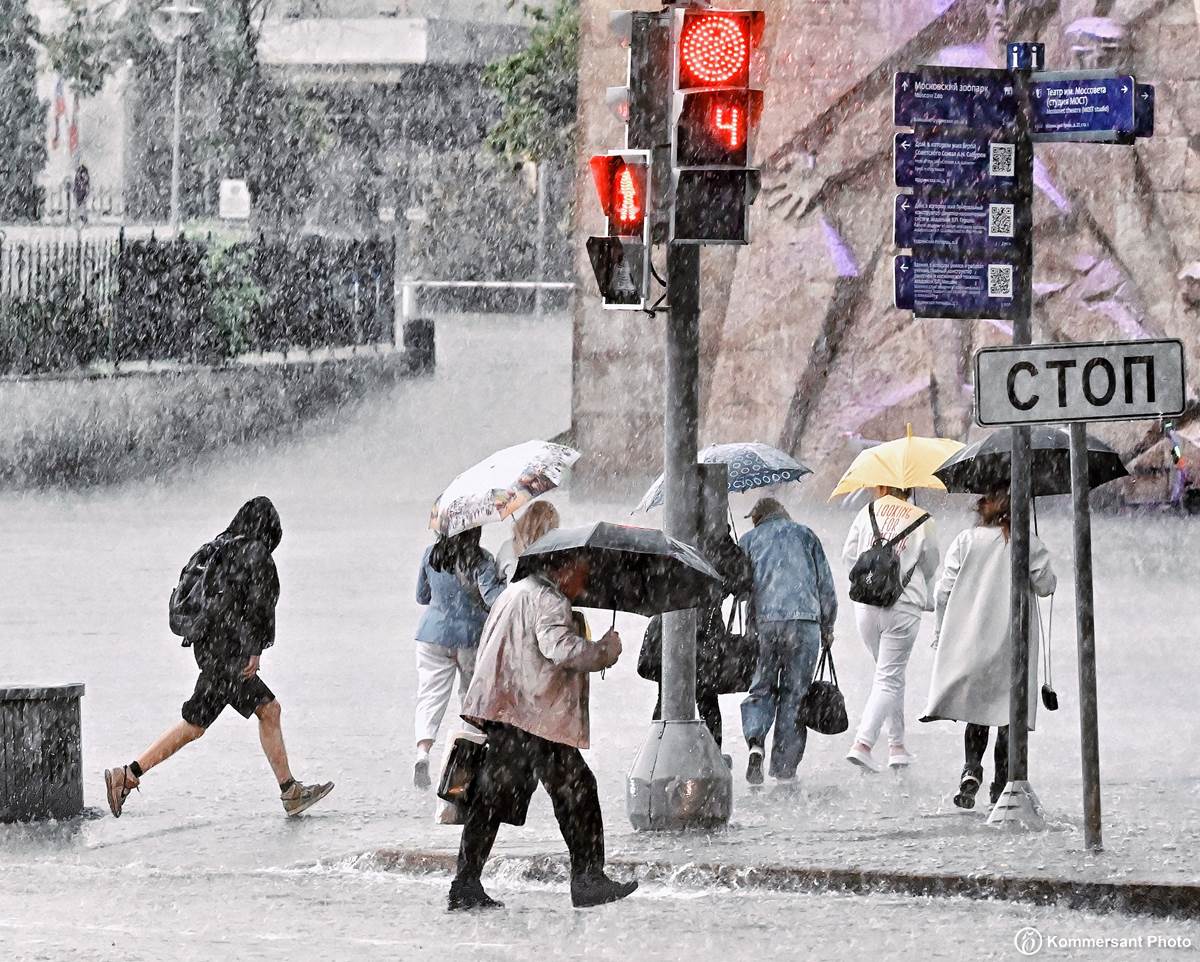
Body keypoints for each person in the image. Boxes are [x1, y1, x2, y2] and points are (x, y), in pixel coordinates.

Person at [103, 497, 333, 819]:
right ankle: (290, 792)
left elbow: (217, 602)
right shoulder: (255, 552)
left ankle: (127, 774)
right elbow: (258, 604)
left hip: (209, 647)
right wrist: (254, 648)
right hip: (229, 653)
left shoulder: (217, 547)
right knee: (269, 709)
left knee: (195, 724)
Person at [449, 555, 636, 911]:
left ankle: (465, 881)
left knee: (490, 797)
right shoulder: (550, 599)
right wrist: (602, 653)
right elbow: (559, 649)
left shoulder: (514, 593)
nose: (585, 583)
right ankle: (587, 878)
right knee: (577, 789)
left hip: (505, 709)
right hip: (534, 713)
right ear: (563, 569)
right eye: (582, 573)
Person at [921, 489, 1057, 809]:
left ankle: (971, 769)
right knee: (1009, 715)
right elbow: (1047, 586)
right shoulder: (1027, 543)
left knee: (979, 711)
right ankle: (1001, 787)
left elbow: (943, 592)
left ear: (982, 509)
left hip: (973, 639)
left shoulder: (966, 541)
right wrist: (1035, 550)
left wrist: (941, 633)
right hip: (1014, 644)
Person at [738, 497, 838, 786]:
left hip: (766, 624)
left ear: (758, 518)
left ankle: (756, 742)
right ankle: (784, 770)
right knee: (795, 695)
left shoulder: (749, 540)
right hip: (805, 623)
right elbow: (826, 586)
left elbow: (742, 591)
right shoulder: (806, 535)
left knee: (761, 687)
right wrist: (827, 626)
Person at [841, 486, 939, 772]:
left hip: (867, 605)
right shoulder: (923, 519)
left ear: (880, 485)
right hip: (903, 605)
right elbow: (931, 563)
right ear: (909, 487)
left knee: (888, 676)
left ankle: (897, 747)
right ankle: (863, 744)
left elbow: (849, 556)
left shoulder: (867, 511)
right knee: (889, 678)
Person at [646, 522, 751, 750]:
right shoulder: (721, 548)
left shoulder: (675, 537)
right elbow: (743, 582)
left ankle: (659, 751)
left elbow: (654, 583)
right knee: (706, 696)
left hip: (671, 626)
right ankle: (711, 753)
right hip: (706, 633)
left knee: (667, 694)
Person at [414, 527, 505, 788]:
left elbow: (422, 596)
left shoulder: (430, 555)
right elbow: (493, 599)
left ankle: (423, 751)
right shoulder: (482, 560)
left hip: (433, 633)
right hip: (471, 637)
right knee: (471, 699)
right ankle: (463, 765)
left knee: (430, 695)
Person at [495, 500, 560, 582]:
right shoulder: (556, 549)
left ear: (525, 518)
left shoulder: (507, 547)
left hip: (514, 593)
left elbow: (498, 577)